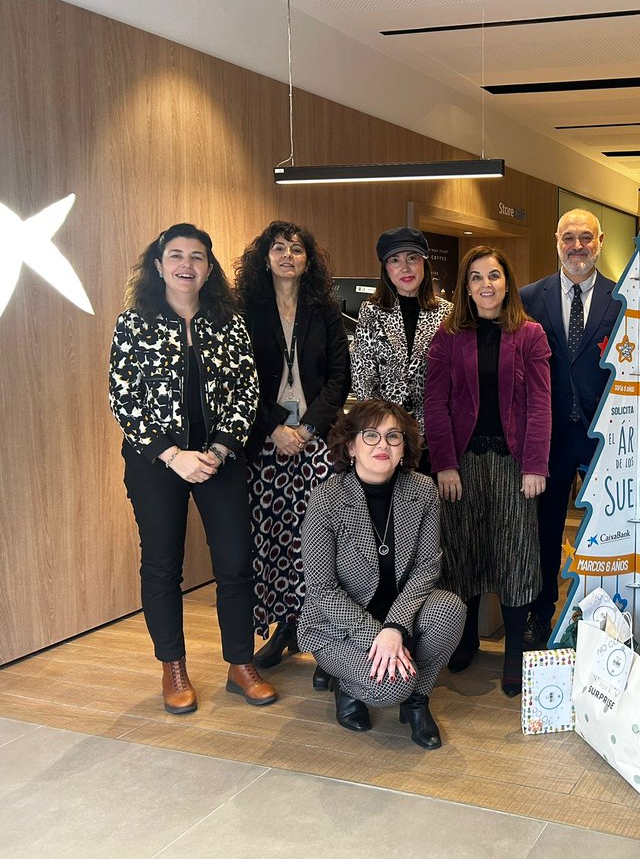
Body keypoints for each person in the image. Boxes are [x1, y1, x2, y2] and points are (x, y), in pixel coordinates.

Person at [108, 223, 276, 714]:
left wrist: (219, 451)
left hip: (219, 458)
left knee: (236, 562)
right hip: (155, 462)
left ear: (209, 268)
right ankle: (173, 666)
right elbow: (124, 398)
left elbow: (247, 393)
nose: (187, 264)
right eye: (176, 255)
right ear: (158, 266)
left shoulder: (229, 322)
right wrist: (172, 454)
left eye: (197, 256)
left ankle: (241, 663)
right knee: (162, 563)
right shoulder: (133, 323)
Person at [296, 399, 466, 748]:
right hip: (338, 627)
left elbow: (426, 566)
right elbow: (321, 587)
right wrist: (377, 635)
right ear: (350, 446)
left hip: (396, 616)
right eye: (370, 435)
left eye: (393, 436)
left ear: (405, 448)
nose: (382, 445)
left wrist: (395, 627)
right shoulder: (326, 497)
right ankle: (346, 685)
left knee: (450, 608)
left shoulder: (422, 490)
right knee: (390, 686)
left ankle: (417, 702)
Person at [425, 246, 552, 695]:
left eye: (494, 276)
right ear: (466, 287)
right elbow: (435, 406)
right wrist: (444, 464)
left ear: (507, 282)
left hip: (515, 466)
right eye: (476, 277)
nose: (485, 285)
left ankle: (515, 651)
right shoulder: (447, 335)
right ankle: (464, 640)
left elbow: (540, 406)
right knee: (464, 553)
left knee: (515, 555)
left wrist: (535, 465)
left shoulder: (530, 334)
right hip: (463, 466)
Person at [233, 221, 350, 676]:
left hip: (317, 443)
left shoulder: (325, 310)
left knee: (323, 542)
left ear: (307, 261)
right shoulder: (246, 310)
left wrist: (308, 429)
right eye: (278, 249)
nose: (287, 256)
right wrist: (277, 428)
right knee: (277, 539)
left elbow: (340, 377)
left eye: (296, 249)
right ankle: (286, 627)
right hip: (266, 445)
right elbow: (240, 379)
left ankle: (325, 636)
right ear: (265, 258)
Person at [519, 209, 621, 648]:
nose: (577, 247)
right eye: (568, 238)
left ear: (600, 241)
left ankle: (609, 620)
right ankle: (540, 615)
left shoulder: (622, 300)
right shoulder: (527, 297)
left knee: (609, 528)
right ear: (556, 241)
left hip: (606, 437)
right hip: (549, 435)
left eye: (585, 238)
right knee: (545, 530)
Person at [350, 226, 452, 460]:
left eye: (412, 258)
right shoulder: (371, 311)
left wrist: (422, 430)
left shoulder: (447, 313)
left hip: (435, 436)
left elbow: (452, 383)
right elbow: (363, 379)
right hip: (383, 439)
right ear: (386, 268)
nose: (405, 268)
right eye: (395, 260)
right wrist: (391, 431)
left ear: (424, 263)